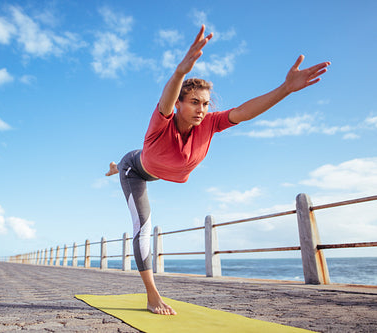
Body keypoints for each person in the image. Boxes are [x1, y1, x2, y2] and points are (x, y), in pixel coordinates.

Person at [105, 25, 330, 315]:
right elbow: (166, 99)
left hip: (160, 168)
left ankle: (112, 167)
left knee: (138, 167)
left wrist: (286, 88)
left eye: (206, 104)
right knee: (143, 226)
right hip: (135, 169)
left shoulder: (210, 123)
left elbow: (245, 112)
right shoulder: (163, 121)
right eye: (195, 102)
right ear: (179, 104)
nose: (201, 109)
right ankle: (152, 294)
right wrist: (179, 73)